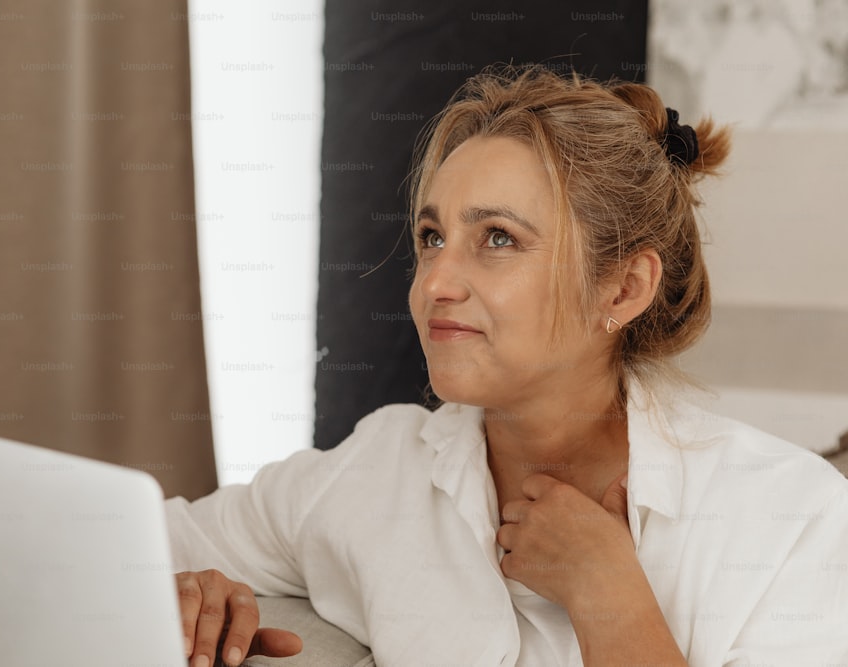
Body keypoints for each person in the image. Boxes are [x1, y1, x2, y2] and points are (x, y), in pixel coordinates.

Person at [164, 65, 848, 667]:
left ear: (622, 288)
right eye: (432, 237)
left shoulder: (790, 521)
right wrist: (187, 589)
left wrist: (608, 595)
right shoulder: (374, 469)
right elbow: (130, 547)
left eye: (497, 237)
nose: (435, 281)